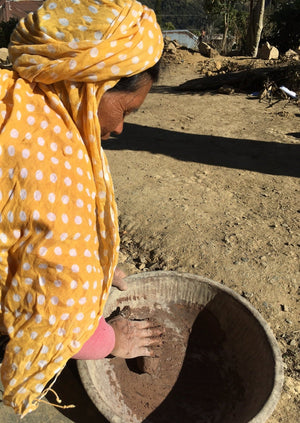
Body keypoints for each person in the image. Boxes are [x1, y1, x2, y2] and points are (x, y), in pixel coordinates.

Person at [0, 0, 164, 417]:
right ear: (91, 84)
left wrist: (98, 266)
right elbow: (53, 312)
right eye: (125, 110)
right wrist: (113, 341)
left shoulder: (15, 98)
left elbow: (26, 235)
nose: (121, 128)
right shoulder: (49, 164)